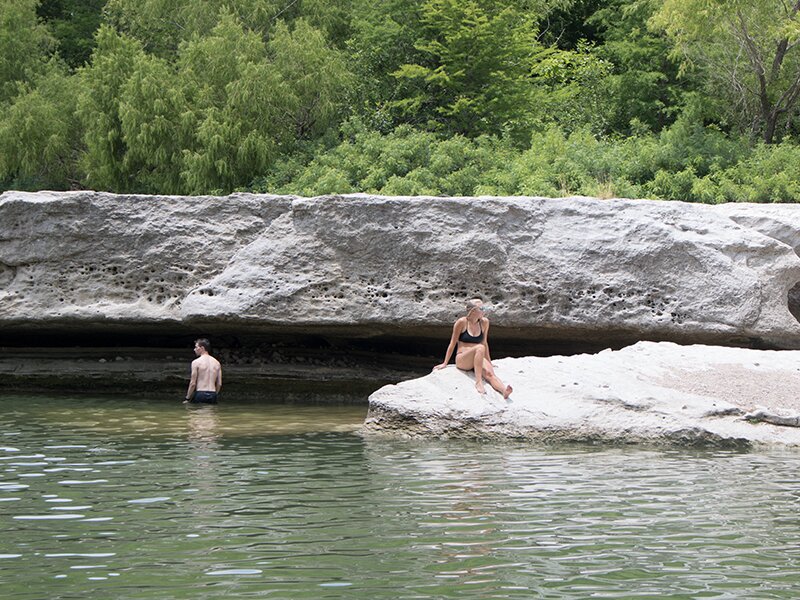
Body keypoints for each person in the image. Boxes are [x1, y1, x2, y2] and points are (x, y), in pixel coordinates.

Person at [433, 298, 513, 399]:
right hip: (463, 359)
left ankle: (504, 391)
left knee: (489, 373)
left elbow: (485, 342)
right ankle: (478, 382)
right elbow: (452, 343)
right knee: (479, 347)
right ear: (473, 310)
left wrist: (489, 361)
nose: (485, 310)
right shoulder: (462, 322)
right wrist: (445, 363)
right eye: (482, 308)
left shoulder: (484, 322)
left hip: (478, 357)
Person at [184, 338, 222, 404]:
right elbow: (219, 383)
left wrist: (187, 398)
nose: (194, 349)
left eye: (196, 347)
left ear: (202, 348)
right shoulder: (217, 363)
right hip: (213, 394)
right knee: (211, 413)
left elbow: (193, 383)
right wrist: (215, 394)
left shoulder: (196, 362)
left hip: (201, 393)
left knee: (197, 413)